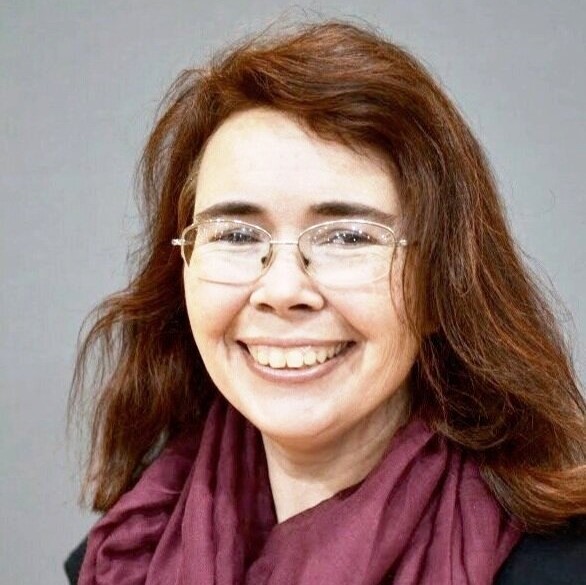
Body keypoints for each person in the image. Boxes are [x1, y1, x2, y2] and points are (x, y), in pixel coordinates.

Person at [66, 20, 586, 584]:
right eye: (235, 235)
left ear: (440, 283)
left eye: (348, 237)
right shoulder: (123, 559)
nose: (283, 291)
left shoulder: (560, 566)